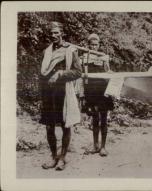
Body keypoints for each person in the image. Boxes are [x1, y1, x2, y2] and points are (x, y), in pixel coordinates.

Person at [40, 21, 82, 170]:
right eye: (51, 33)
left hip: (63, 91)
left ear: (62, 33)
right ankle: (53, 157)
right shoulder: (47, 52)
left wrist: (61, 73)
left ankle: (62, 158)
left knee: (65, 125)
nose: (54, 35)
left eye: (56, 32)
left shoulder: (70, 50)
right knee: (49, 127)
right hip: (48, 93)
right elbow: (43, 74)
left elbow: (78, 72)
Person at [81, 33, 113, 156]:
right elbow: (82, 76)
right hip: (91, 91)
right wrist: (83, 95)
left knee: (104, 119)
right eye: (92, 45)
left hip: (103, 91)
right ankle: (95, 145)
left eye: (96, 45)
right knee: (95, 118)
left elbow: (108, 72)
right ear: (88, 45)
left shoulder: (104, 57)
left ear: (99, 45)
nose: (94, 47)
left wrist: (112, 72)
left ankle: (103, 147)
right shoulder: (84, 57)